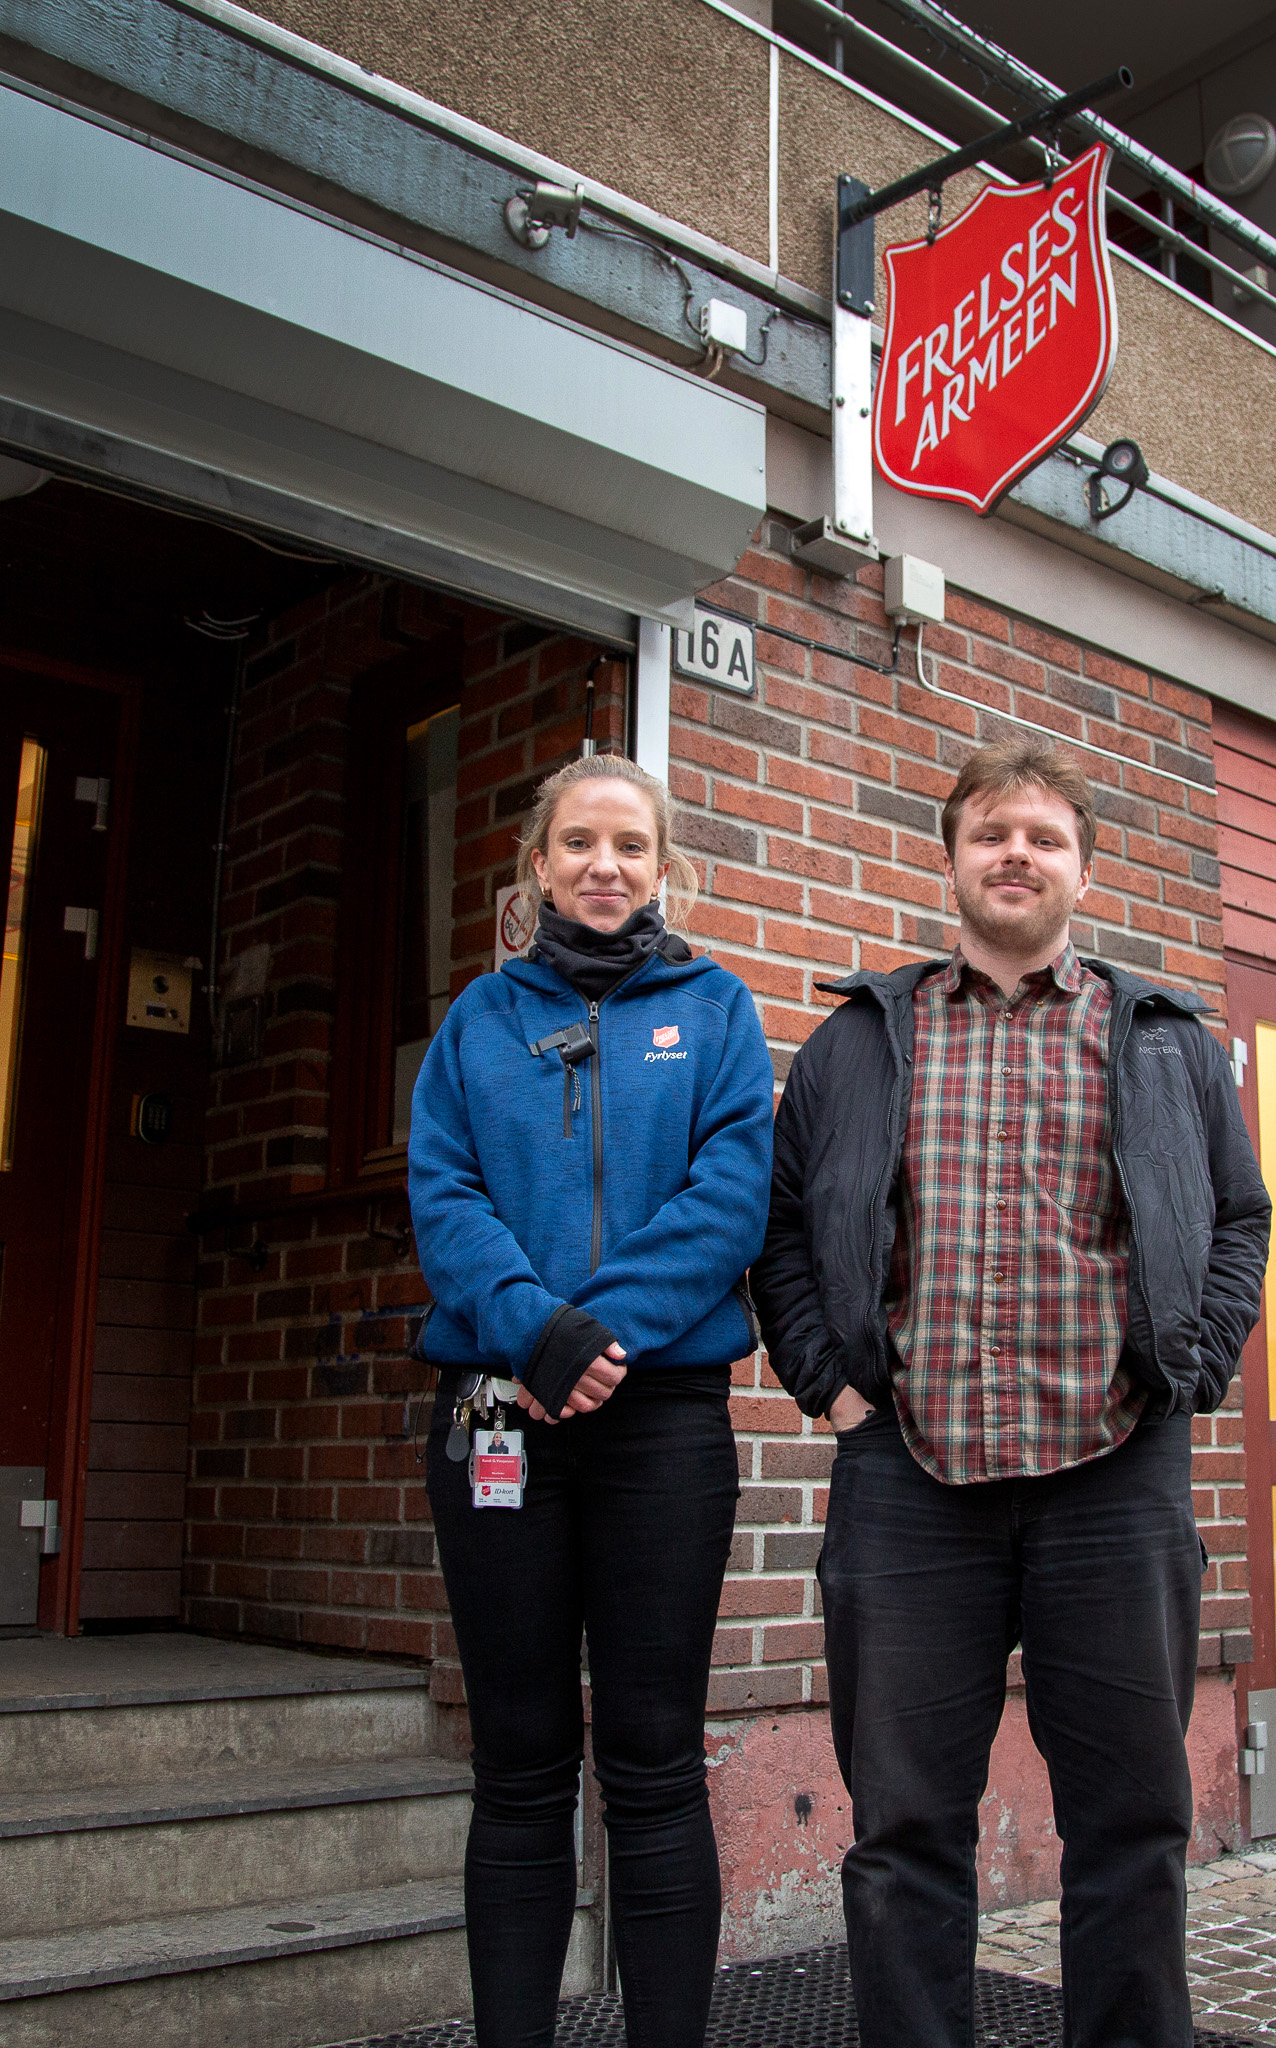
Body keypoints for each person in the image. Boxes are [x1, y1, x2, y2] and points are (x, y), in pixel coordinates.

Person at [753, 736, 1271, 2048]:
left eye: (1043, 836)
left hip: (1115, 1476)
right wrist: (831, 1389)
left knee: (1130, 1829)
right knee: (905, 1830)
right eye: (991, 833)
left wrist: (1194, 1369)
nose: (1016, 855)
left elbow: (1239, 1218)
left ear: (1084, 869)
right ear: (952, 860)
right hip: (912, 1483)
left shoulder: (1164, 1042)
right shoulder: (859, 1043)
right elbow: (778, 1230)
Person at [409, 753, 775, 2048]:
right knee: (517, 1763)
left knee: (654, 1760)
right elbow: (443, 1197)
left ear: (664, 866)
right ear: (537, 866)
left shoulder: (719, 1014)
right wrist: (535, 1332)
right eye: (579, 843)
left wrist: (597, 1333)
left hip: (662, 1427)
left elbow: (732, 1200)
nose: (605, 865)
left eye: (630, 844)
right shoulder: (476, 1025)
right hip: (497, 1413)